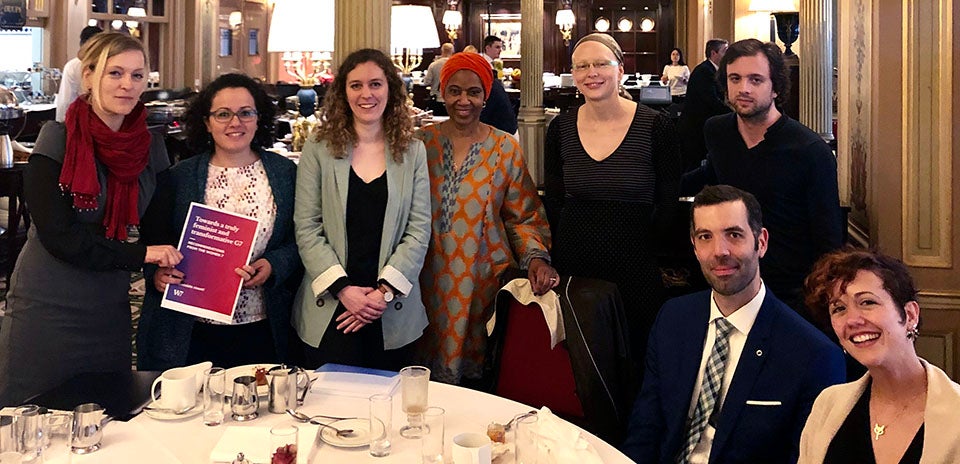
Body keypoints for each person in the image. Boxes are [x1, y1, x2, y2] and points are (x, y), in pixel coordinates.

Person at [0, 33, 182, 405]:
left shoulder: (153, 147)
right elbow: (60, 237)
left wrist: (161, 269)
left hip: (109, 306)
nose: (127, 85)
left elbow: (159, 229)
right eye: (115, 73)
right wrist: (142, 256)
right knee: (29, 419)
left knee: (103, 416)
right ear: (88, 76)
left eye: (137, 75)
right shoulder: (57, 140)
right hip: (48, 304)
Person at [623, 185, 845, 463]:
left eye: (734, 235)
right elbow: (647, 425)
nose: (720, 251)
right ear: (694, 247)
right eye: (706, 237)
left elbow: (804, 457)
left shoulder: (813, 354)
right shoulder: (673, 318)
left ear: (761, 242)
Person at [136, 73, 300, 370]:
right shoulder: (178, 178)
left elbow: (299, 239)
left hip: (262, 320)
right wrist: (157, 277)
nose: (235, 123)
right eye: (223, 114)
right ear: (206, 122)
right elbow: (153, 243)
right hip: (192, 326)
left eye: (245, 113)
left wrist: (275, 264)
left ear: (259, 119)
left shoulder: (285, 173)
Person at [417, 52, 557, 385]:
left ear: (486, 95)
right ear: (441, 92)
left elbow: (523, 216)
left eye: (473, 92)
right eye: (454, 91)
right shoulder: (421, 144)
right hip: (424, 279)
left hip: (481, 282)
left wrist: (536, 258)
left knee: (474, 385)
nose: (463, 100)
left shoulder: (505, 148)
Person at [682, 38, 843, 317]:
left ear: (776, 88)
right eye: (735, 78)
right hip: (729, 280)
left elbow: (828, 241)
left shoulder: (809, 151)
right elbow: (713, 175)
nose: (743, 88)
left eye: (755, 80)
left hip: (789, 293)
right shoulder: (717, 131)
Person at [544, 33, 679, 361]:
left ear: (620, 70)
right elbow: (555, 200)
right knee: (582, 362)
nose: (592, 72)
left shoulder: (656, 126)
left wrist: (652, 250)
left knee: (636, 356)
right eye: (582, 66)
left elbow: (669, 201)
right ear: (574, 75)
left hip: (637, 266)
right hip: (577, 264)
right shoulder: (559, 129)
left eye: (601, 63)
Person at [293, 48, 430, 371]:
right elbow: (306, 226)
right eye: (356, 85)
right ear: (343, 92)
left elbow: (419, 229)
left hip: (391, 309)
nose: (366, 94)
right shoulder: (318, 147)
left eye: (375, 84)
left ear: (390, 90)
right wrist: (344, 291)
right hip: (331, 308)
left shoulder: (413, 151)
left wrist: (381, 294)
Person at [798, 249, 960, 463]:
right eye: (839, 308)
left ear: (910, 315)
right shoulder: (827, 405)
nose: (852, 320)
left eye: (867, 302)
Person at [677, 39, 729, 172]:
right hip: (694, 129)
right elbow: (710, 100)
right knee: (692, 167)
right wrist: (733, 114)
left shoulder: (712, 70)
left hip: (701, 126)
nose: (727, 55)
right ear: (714, 53)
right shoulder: (704, 72)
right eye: (725, 51)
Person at [56, 25, 103, 122]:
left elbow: (66, 101)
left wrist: (62, 125)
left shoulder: (73, 65)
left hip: (82, 119)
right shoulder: (74, 66)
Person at [424, 42, 454, 116]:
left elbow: (426, 82)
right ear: (452, 51)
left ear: (442, 51)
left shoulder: (434, 65)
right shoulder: (455, 65)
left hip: (436, 99)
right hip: (452, 99)